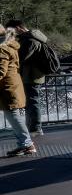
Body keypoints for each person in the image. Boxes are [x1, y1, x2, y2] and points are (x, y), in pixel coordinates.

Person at [4, 19, 50, 136]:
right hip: (31, 74)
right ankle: (32, 127)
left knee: (32, 101)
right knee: (30, 101)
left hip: (31, 75)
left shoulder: (31, 40)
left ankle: (35, 129)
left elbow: (21, 58)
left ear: (19, 27)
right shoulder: (30, 38)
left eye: (12, 30)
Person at [0, 26, 36, 156]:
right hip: (12, 85)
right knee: (14, 116)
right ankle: (25, 144)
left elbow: (1, 71)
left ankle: (27, 144)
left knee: (14, 116)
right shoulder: (9, 44)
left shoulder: (2, 47)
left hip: (7, 87)